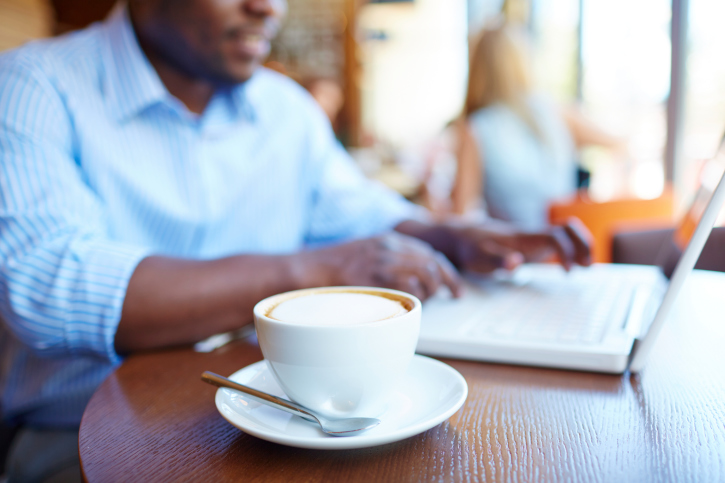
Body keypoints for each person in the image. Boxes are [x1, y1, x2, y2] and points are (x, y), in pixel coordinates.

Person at [0, 1, 591, 480]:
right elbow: (52, 291)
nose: (268, 8)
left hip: (290, 415)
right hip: (78, 435)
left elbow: (357, 212)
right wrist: (318, 267)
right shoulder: (32, 88)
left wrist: (458, 234)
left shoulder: (285, 110)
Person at [452, 23, 623, 230]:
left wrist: (429, 195)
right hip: (569, 246)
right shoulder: (558, 112)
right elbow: (619, 143)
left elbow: (460, 219)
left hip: (518, 254)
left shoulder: (475, 129)